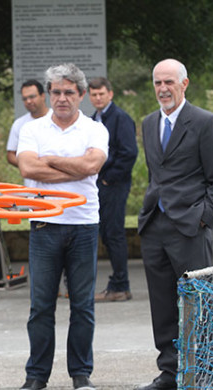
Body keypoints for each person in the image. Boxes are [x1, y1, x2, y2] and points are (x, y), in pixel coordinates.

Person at [136, 59, 213, 390]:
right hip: (155, 227)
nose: (163, 88)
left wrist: (203, 218)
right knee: (162, 305)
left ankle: (206, 373)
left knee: (202, 304)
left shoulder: (205, 122)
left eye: (169, 83)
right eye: (157, 83)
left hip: (191, 227)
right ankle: (170, 372)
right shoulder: (149, 123)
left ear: (184, 84)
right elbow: (156, 174)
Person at [17, 63, 108, 390]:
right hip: (44, 224)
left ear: (81, 95)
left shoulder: (95, 129)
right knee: (40, 306)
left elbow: (92, 165)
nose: (62, 98)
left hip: (84, 225)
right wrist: (75, 170)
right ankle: (36, 376)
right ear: (48, 94)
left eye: (69, 92)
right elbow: (28, 167)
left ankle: (81, 375)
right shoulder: (33, 129)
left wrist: (50, 160)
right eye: (56, 92)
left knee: (82, 306)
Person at [87, 77, 138, 302]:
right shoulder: (93, 119)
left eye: (101, 94)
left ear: (110, 94)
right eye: (94, 94)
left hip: (114, 185)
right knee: (104, 234)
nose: (98, 98)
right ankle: (117, 284)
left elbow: (129, 153)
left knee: (114, 233)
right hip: (98, 184)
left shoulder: (120, 118)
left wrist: (109, 178)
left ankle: (120, 285)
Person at [6, 79, 50, 171]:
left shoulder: (57, 118)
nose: (28, 101)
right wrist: (29, 165)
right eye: (25, 99)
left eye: (32, 97)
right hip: (31, 181)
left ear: (43, 96)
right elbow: (11, 155)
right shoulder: (19, 124)